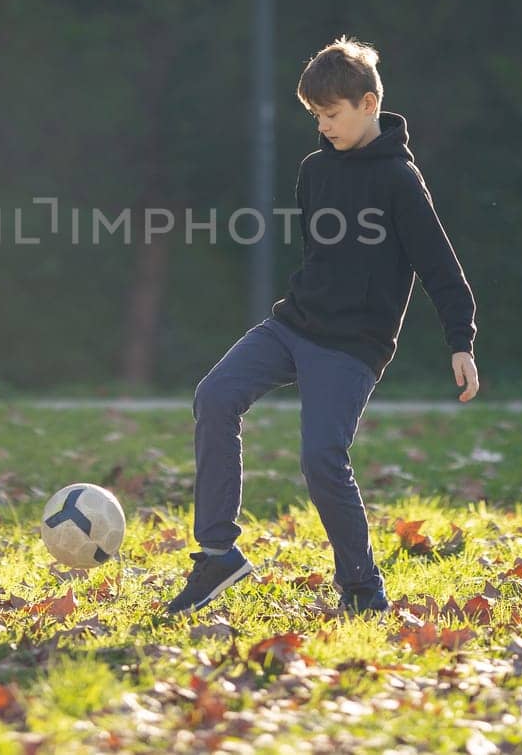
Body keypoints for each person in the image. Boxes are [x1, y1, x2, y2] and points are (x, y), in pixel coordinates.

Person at [164, 36, 480, 617]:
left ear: (367, 104)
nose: (323, 127)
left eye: (331, 115)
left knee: (321, 457)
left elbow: (439, 264)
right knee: (215, 397)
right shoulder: (315, 171)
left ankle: (362, 586)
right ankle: (217, 554)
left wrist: (460, 340)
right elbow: (321, 256)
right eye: (315, 116)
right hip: (293, 325)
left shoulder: (399, 181)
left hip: (352, 346)